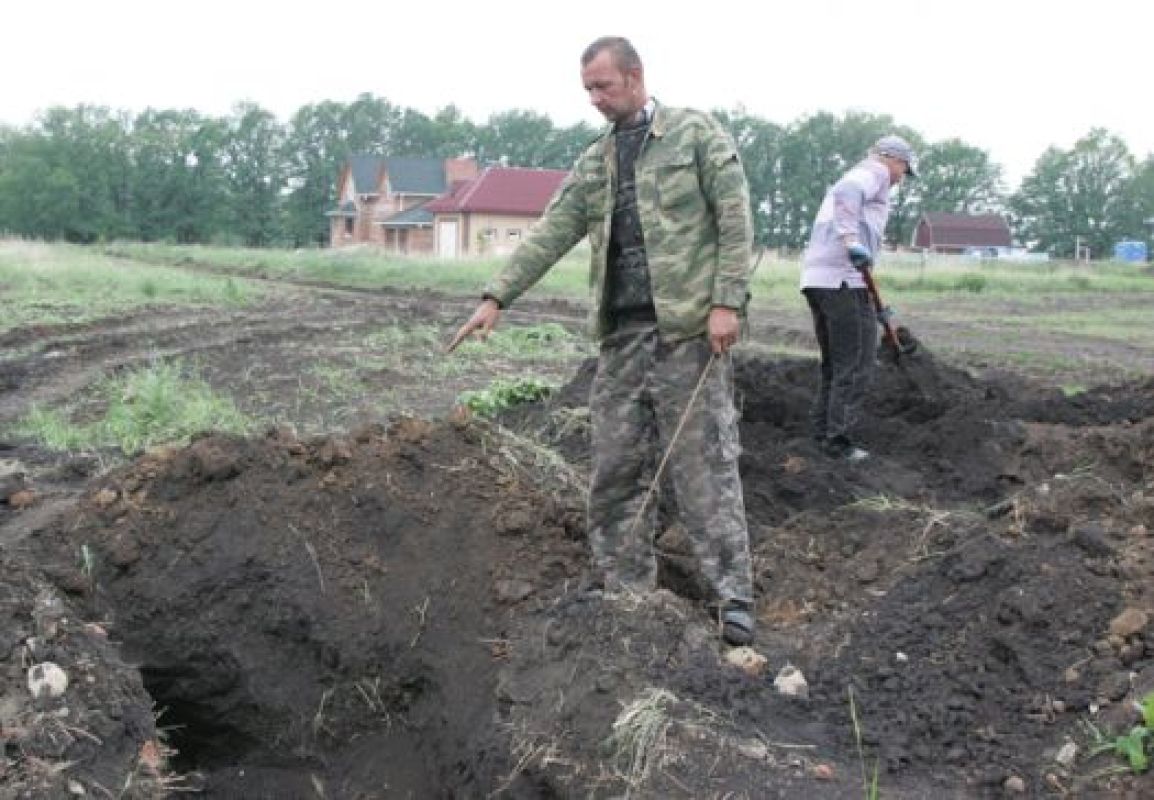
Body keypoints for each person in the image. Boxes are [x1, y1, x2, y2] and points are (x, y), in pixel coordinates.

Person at [448, 36, 757, 646]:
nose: (594, 98)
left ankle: (733, 597)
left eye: (603, 86)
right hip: (622, 336)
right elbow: (550, 230)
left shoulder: (697, 136)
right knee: (615, 466)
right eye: (587, 88)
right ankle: (625, 588)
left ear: (636, 76)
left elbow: (735, 218)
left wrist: (727, 301)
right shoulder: (597, 160)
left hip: (688, 331)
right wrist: (495, 298)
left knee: (703, 467)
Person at [799, 135, 917, 462]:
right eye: (903, 170)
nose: (900, 179)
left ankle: (821, 434)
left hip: (818, 280)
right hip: (843, 281)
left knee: (836, 364)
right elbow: (848, 194)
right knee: (856, 363)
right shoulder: (874, 171)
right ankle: (838, 443)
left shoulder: (854, 175)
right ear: (894, 159)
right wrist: (851, 241)